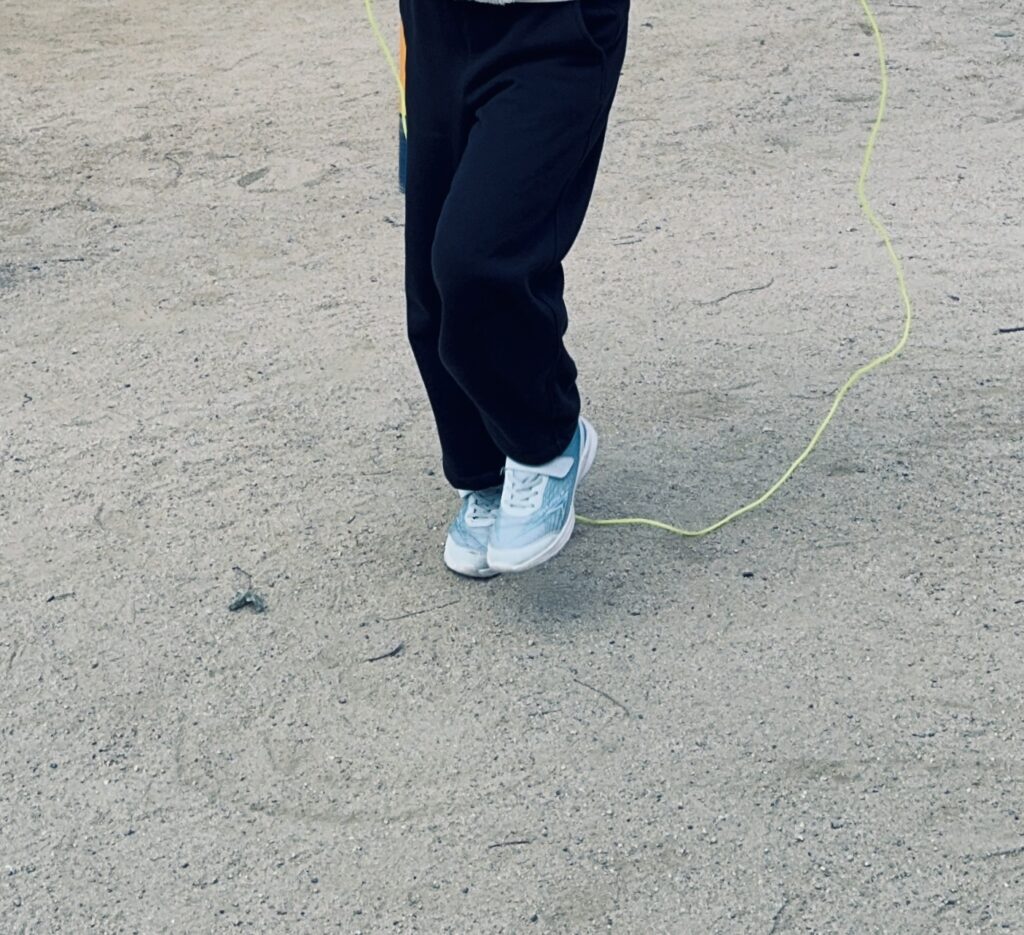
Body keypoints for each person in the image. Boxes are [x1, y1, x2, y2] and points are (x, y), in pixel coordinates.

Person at [400, 0, 630, 576]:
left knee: (478, 260)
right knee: (430, 292)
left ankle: (546, 442)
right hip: (435, 27)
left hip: (554, 28)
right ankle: (485, 472)